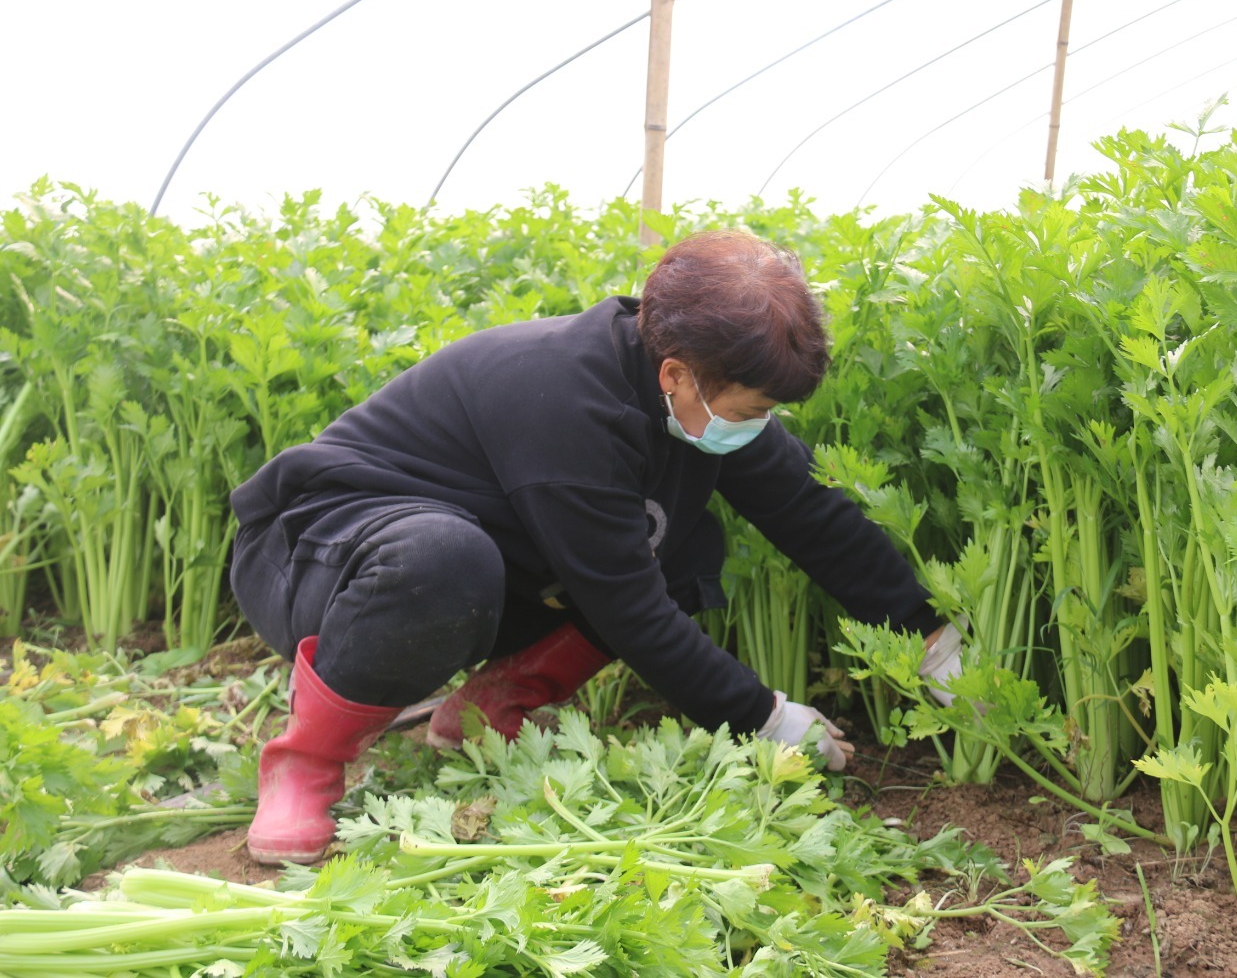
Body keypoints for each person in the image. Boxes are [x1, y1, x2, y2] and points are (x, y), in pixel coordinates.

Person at [228, 230, 964, 866]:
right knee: (447, 561)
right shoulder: (564, 401)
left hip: (464, 561)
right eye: (755, 409)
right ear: (677, 374)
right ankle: (306, 763)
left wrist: (929, 636)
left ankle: (488, 709)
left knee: (679, 544)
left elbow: (812, 515)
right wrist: (763, 716)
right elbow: (628, 609)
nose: (760, 425)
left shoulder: (695, 390)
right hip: (318, 554)